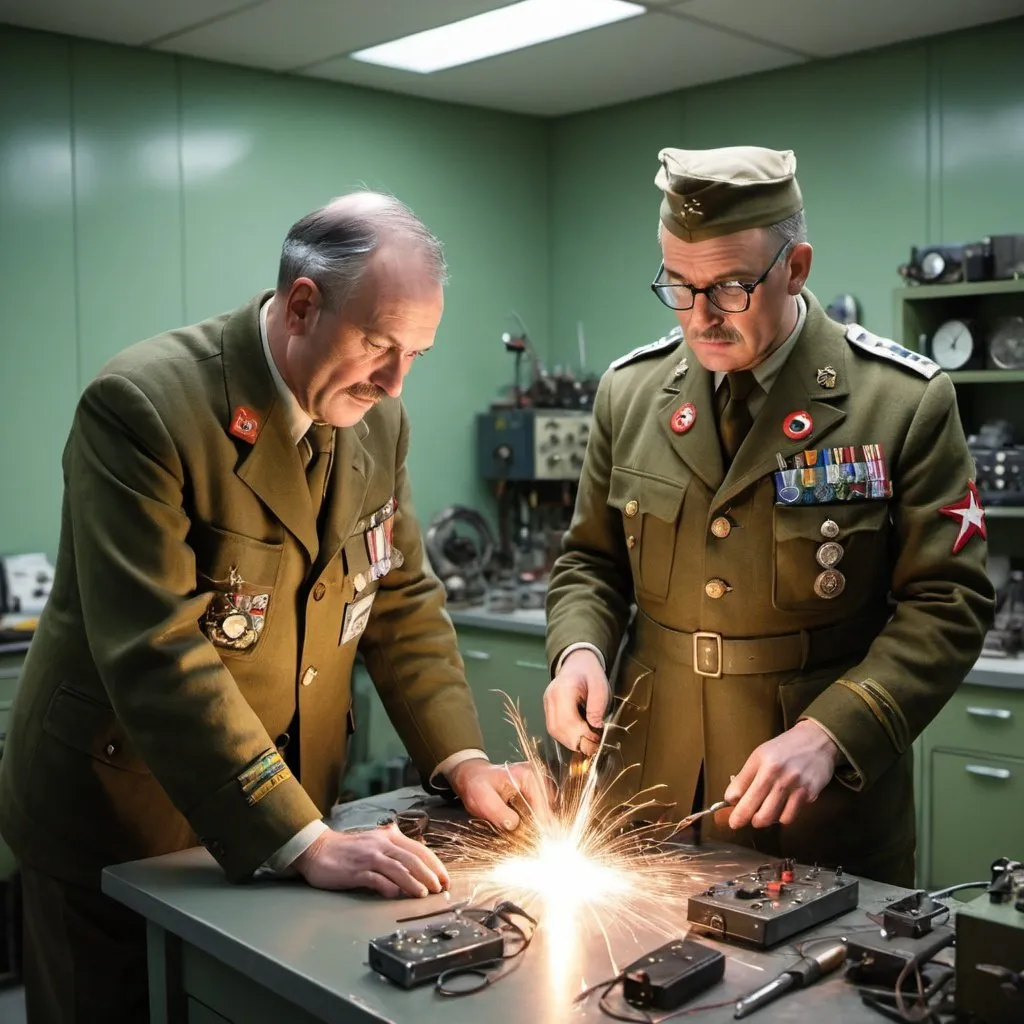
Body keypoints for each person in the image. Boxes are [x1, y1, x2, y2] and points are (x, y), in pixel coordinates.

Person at [0, 192, 538, 1022]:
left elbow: (399, 601)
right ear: (301, 304)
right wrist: (304, 838)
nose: (396, 379)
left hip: (285, 812)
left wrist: (461, 762)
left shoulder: (378, 420)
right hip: (123, 818)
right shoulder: (145, 407)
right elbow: (158, 646)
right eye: (380, 344)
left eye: (416, 354)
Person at [543, 146, 994, 886]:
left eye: (729, 287)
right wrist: (579, 654)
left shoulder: (902, 401)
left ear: (797, 267)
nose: (702, 317)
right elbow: (590, 563)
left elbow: (948, 604)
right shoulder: (629, 393)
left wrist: (831, 732)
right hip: (646, 788)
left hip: (814, 809)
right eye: (679, 287)